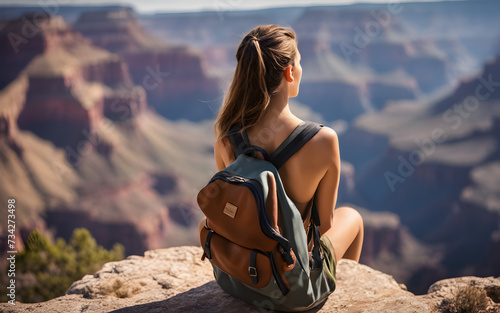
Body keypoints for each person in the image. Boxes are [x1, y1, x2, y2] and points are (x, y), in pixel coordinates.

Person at [202, 24, 363, 285]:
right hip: (290, 283)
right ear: (289, 72)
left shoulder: (226, 137)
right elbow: (324, 227)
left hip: (244, 275)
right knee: (353, 217)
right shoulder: (323, 140)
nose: (300, 69)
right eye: (299, 62)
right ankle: (331, 289)